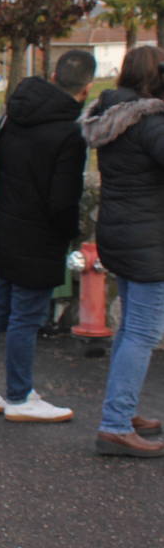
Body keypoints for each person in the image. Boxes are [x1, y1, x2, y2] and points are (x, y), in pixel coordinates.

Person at [0, 50, 95, 423]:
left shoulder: (14, 115)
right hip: (38, 237)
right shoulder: (69, 134)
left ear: (53, 76)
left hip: (3, 227)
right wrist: (69, 234)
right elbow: (63, 200)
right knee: (25, 317)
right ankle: (20, 396)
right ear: (86, 88)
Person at [81, 44, 164, 457]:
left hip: (120, 234)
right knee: (143, 332)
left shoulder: (112, 116)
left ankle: (123, 411)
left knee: (131, 327)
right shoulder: (151, 123)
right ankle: (115, 424)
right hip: (148, 240)